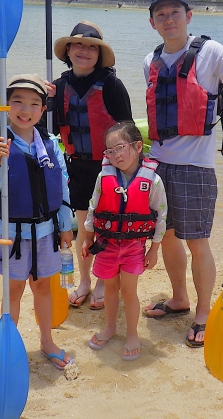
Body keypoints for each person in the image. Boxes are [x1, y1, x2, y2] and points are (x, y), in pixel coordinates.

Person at [142, 0, 223, 347]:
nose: (169, 20)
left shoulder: (209, 52)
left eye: (175, 13)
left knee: (197, 242)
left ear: (188, 16)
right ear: (153, 23)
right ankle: (179, 298)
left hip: (196, 167)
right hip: (157, 166)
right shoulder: (148, 61)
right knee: (165, 237)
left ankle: (202, 312)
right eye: (161, 15)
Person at [0, 74, 74, 370]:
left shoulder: (49, 142)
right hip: (13, 235)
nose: (25, 109)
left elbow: (63, 187)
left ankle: (46, 342)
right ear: (6, 106)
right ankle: (9, 347)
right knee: (14, 291)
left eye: (34, 103)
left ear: (43, 111)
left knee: (43, 288)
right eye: (17, 101)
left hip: (46, 233)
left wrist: (66, 226)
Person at [48, 21, 133, 311]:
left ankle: (102, 281)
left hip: (110, 168)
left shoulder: (111, 85)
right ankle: (84, 280)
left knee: (107, 227)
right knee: (85, 228)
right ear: (68, 50)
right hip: (79, 167)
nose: (84, 51)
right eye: (78, 45)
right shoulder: (58, 88)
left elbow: (128, 129)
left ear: (99, 54)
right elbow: (48, 129)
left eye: (92, 48)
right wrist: (45, 100)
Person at [82, 122, 166, 360]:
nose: (115, 154)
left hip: (134, 246)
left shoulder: (153, 181)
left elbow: (161, 216)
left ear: (138, 146)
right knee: (110, 288)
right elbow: (92, 207)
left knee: (129, 291)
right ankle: (109, 327)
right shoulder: (103, 177)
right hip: (106, 243)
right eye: (109, 150)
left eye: (120, 147)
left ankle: (131, 333)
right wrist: (88, 237)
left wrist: (154, 249)